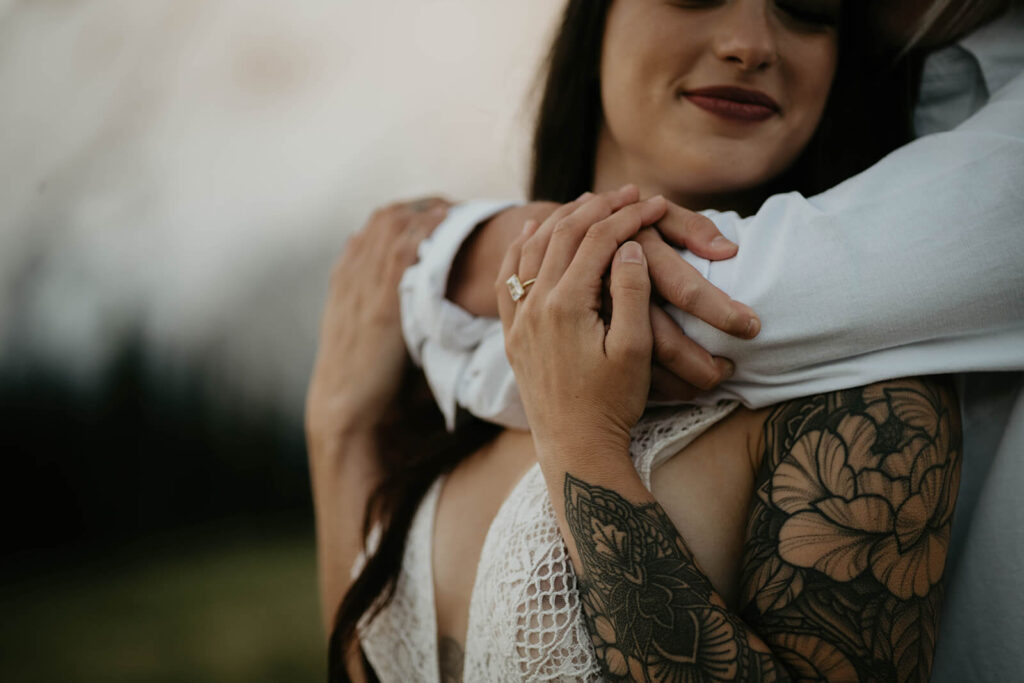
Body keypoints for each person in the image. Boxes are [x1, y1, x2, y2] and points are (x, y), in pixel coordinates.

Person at [308, 1, 969, 681]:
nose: (749, 44)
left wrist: (581, 441)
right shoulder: (462, 350)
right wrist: (338, 430)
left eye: (806, 7)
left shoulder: (869, 392)